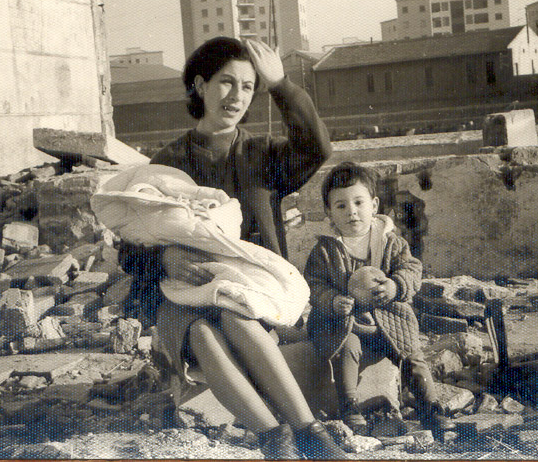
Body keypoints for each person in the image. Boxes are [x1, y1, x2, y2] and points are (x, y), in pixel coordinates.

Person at [120, 37, 346, 460]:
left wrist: (281, 86)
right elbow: (129, 244)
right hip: (182, 296)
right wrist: (164, 256)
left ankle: (310, 435)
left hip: (251, 293)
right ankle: (275, 442)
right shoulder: (167, 163)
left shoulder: (264, 154)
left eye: (247, 86)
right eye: (226, 83)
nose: (237, 96)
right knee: (203, 332)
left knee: (232, 315)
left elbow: (318, 148)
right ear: (201, 86)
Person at [304, 162, 454, 436]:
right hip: (345, 320)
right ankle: (349, 404)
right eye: (340, 206)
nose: (352, 211)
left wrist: (396, 287)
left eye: (358, 202)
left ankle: (430, 406)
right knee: (346, 347)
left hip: (388, 317)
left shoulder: (391, 242)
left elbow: (412, 269)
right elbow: (314, 285)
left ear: (374, 205)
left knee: (411, 351)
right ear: (329, 213)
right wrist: (333, 300)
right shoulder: (325, 250)